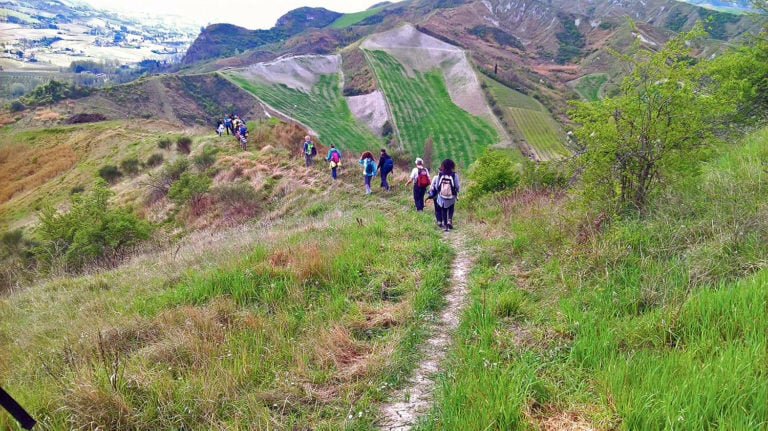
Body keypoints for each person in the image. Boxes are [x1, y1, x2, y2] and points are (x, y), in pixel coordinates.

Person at [429, 158, 459, 231]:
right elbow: (457, 186)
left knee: (444, 210)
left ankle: (445, 226)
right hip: (451, 195)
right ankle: (449, 220)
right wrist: (456, 192)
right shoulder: (454, 175)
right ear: (452, 166)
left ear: (443, 166)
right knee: (451, 208)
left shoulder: (440, 174)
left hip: (442, 195)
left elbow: (436, 186)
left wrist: (439, 191)